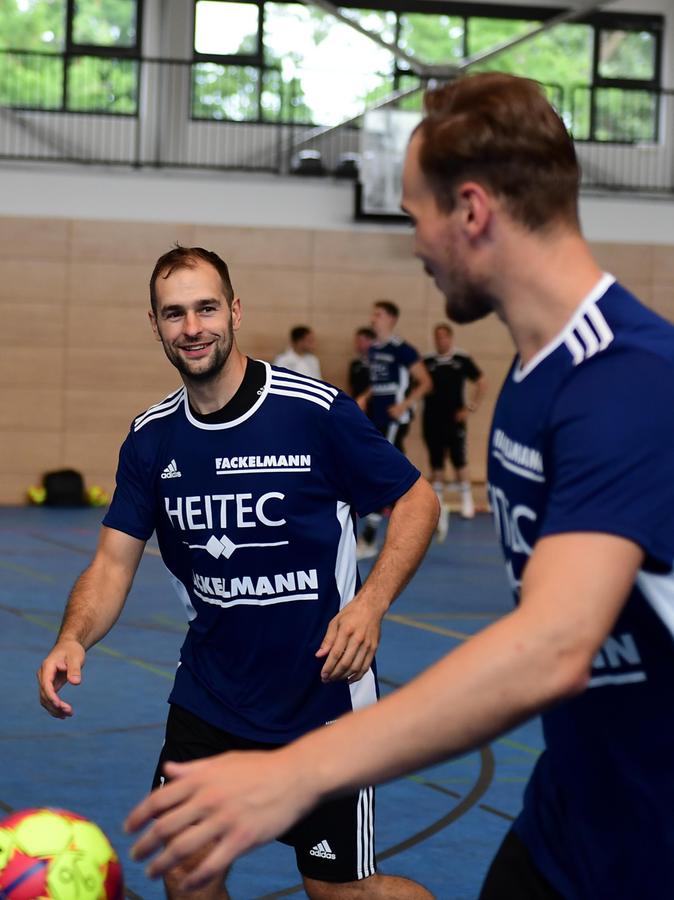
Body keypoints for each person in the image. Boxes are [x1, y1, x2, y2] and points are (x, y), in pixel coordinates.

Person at [126, 72, 674, 900]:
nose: (414, 243)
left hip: (654, 841)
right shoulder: (533, 379)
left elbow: (554, 647)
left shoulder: (626, 380)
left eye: (415, 214)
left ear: (473, 211)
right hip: (573, 820)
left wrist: (298, 770)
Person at [37, 246, 439, 900]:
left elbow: (417, 500)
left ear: (235, 311)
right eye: (174, 314)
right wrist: (72, 637)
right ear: (155, 324)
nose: (191, 327)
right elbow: (112, 564)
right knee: (187, 874)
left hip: (322, 699)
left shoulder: (312, 411)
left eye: (205, 308)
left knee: (337, 892)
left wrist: (370, 605)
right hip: (210, 697)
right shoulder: (151, 439)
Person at [355, 301, 432, 559]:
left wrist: (404, 405)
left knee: (381, 471)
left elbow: (425, 382)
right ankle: (418, 506)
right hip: (377, 414)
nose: (373, 318)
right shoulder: (375, 349)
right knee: (385, 470)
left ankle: (368, 538)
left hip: (394, 418)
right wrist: (365, 396)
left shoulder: (403, 349)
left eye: (378, 314)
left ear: (390, 318)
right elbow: (380, 383)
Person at [423, 322, 487, 535]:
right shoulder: (428, 361)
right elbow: (418, 385)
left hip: (455, 419)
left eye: (444, 336)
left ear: (450, 338)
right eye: (437, 336)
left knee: (459, 460)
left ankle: (467, 501)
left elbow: (481, 381)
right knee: (436, 462)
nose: (440, 340)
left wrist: (471, 407)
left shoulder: (461, 359)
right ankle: (438, 504)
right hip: (432, 419)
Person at [347, 326, 375, 400]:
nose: (357, 344)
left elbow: (377, 384)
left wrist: (364, 398)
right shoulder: (355, 364)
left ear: (370, 341)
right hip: (358, 404)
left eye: (360, 341)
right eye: (356, 341)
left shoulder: (379, 363)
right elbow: (351, 387)